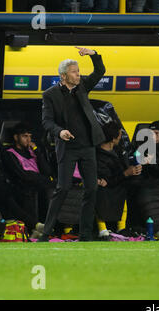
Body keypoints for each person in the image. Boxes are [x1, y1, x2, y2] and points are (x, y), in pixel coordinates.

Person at [39, 46, 106, 242]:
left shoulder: (83, 85)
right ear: (63, 76)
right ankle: (46, 232)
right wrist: (60, 131)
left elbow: (100, 71)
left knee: (92, 188)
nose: (79, 75)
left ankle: (85, 234)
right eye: (75, 72)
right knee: (63, 188)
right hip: (67, 148)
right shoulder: (50, 95)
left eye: (78, 71)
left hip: (88, 146)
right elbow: (47, 121)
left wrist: (93, 54)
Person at [3, 122, 55, 229]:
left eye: (30, 136)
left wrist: (37, 151)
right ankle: (34, 227)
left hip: (40, 182)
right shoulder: (10, 153)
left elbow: (47, 171)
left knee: (53, 187)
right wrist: (42, 178)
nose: (28, 140)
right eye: (24, 136)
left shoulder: (33, 152)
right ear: (16, 137)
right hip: (23, 185)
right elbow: (21, 174)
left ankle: (52, 226)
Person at [96, 121, 142, 240]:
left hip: (118, 181)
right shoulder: (98, 154)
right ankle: (102, 229)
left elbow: (123, 169)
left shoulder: (118, 150)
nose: (121, 137)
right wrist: (126, 173)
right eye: (120, 134)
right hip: (105, 185)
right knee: (100, 189)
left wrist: (134, 169)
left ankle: (122, 227)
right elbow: (106, 179)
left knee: (137, 184)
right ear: (113, 138)